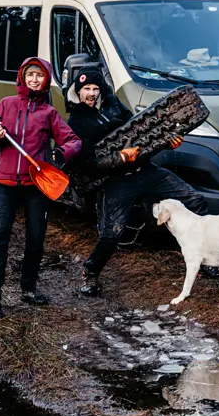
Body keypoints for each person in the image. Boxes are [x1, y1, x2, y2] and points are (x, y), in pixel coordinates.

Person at [66, 69, 209, 297]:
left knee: (195, 200)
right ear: (77, 91)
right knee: (112, 233)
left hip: (145, 171)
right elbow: (86, 164)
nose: (91, 93)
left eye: (95, 88)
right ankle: (90, 273)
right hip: (115, 181)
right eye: (86, 89)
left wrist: (167, 142)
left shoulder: (113, 105)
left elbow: (141, 134)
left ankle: (205, 257)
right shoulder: (76, 122)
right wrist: (121, 157)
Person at [0, 58, 82, 321]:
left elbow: (73, 141)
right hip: (4, 183)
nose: (34, 80)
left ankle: (28, 289)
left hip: (36, 184)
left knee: (35, 240)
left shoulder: (48, 112)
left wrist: (58, 155)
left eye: (40, 76)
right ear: (22, 77)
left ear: (46, 80)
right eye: (30, 75)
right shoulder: (6, 104)